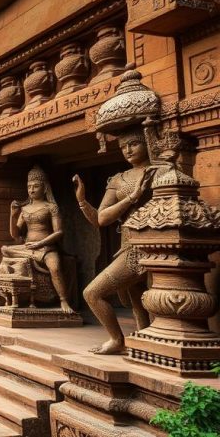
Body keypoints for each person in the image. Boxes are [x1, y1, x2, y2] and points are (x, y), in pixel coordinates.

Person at [73, 128, 156, 354]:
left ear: (148, 142)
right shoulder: (119, 179)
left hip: (153, 243)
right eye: (123, 147)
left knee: (94, 293)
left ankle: (130, 342)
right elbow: (101, 218)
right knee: (134, 299)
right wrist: (82, 201)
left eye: (134, 144)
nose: (128, 150)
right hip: (129, 246)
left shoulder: (158, 171)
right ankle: (124, 340)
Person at [0, 166, 73, 313]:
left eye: (35, 186)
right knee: (5, 249)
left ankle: (63, 300)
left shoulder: (51, 207)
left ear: (44, 188)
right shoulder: (24, 209)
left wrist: (40, 243)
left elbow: (59, 232)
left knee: (55, 268)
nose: (31, 190)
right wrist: (12, 215)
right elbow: (15, 235)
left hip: (46, 248)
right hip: (28, 248)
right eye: (29, 187)